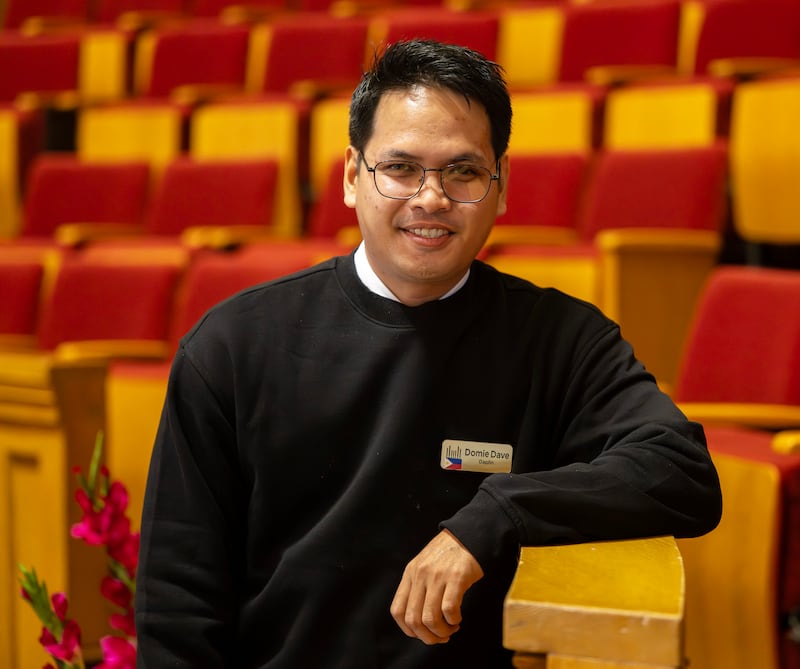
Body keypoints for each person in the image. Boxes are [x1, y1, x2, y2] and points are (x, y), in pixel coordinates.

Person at [135, 39, 722, 668]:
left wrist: (498, 513)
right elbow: (178, 603)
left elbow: (680, 472)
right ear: (353, 176)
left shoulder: (560, 339)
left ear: (500, 187)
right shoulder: (234, 344)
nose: (432, 198)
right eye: (401, 168)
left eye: (463, 172)